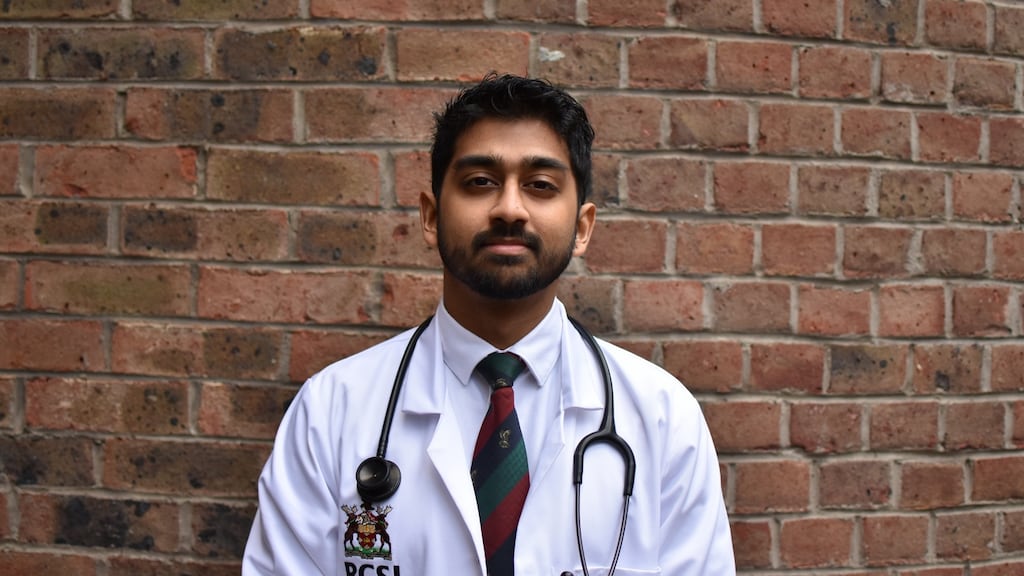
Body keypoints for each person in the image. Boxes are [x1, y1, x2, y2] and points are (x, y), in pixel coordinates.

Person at [242, 74, 735, 576]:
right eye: (480, 182)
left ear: (582, 228)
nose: (509, 209)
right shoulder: (330, 412)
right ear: (431, 216)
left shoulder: (663, 418)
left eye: (541, 186)